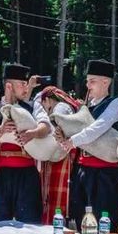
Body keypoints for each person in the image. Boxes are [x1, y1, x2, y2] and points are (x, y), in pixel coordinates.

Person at [0, 63, 50, 223]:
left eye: (26, 84)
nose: (26, 89)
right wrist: (0, 130)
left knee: (29, 222)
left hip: (26, 174)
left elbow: (46, 126)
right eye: (22, 84)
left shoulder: (33, 106)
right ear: (9, 86)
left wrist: (33, 133)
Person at [60, 60, 118, 232]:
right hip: (83, 171)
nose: (87, 85)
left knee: (104, 221)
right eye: (87, 81)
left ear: (106, 82)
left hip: (105, 174)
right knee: (82, 220)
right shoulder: (86, 107)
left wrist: (72, 141)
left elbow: (99, 127)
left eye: (92, 81)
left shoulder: (115, 103)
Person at [36, 84, 80, 223]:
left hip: (61, 157)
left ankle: (55, 224)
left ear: (47, 100)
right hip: (59, 154)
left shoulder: (60, 108)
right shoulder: (65, 106)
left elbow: (54, 128)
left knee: (56, 197)